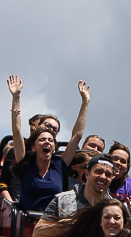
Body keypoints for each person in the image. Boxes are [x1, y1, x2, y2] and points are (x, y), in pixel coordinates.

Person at [7, 74, 90, 212]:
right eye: (42, 140)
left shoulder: (58, 165)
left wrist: (85, 102)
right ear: (33, 147)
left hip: (51, 224)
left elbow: (77, 135)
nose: (47, 142)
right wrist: (16, 97)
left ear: (53, 148)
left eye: (51, 140)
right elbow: (16, 130)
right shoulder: (25, 163)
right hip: (26, 222)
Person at [32, 154, 115, 237]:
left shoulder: (116, 208)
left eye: (108, 174)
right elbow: (37, 234)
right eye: (98, 172)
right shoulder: (62, 200)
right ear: (87, 174)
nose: (103, 177)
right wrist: (65, 226)